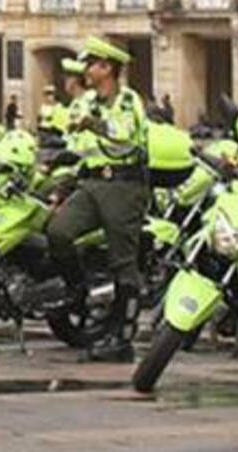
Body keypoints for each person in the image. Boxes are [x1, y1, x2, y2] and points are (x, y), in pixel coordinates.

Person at [46, 36, 149, 363]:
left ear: (108, 68)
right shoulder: (86, 102)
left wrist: (92, 123)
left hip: (123, 185)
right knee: (59, 231)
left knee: (123, 262)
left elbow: (124, 136)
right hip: (90, 184)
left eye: (92, 64)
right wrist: (61, 187)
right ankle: (79, 290)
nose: (86, 69)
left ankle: (122, 336)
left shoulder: (128, 100)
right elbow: (77, 149)